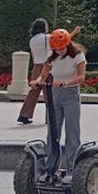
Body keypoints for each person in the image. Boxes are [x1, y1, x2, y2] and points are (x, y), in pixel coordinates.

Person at [29, 29, 86, 185]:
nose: (59, 51)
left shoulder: (77, 56)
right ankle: (50, 169)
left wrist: (67, 82)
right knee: (52, 132)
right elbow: (44, 72)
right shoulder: (52, 57)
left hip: (71, 94)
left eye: (62, 48)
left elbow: (81, 77)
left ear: (68, 44)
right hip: (54, 94)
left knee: (72, 132)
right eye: (56, 48)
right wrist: (38, 80)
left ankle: (72, 170)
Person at [18, 20, 80, 124]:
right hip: (47, 65)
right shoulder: (47, 38)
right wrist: (74, 32)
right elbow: (63, 40)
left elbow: (34, 55)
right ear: (43, 27)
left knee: (33, 91)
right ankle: (51, 116)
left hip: (37, 66)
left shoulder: (32, 40)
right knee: (50, 93)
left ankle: (24, 114)